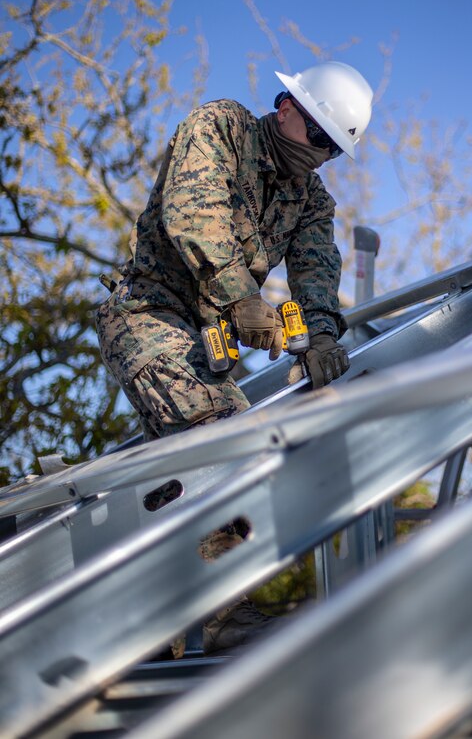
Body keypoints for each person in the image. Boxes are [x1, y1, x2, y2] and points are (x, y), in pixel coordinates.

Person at [95, 60, 373, 653]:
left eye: (331, 148)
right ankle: (218, 619)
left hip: (205, 340)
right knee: (217, 432)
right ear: (286, 107)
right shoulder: (220, 128)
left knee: (208, 468)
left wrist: (322, 335)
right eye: (316, 134)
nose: (319, 152)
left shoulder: (310, 203)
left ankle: (174, 617)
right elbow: (192, 214)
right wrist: (242, 299)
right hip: (148, 314)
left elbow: (317, 269)